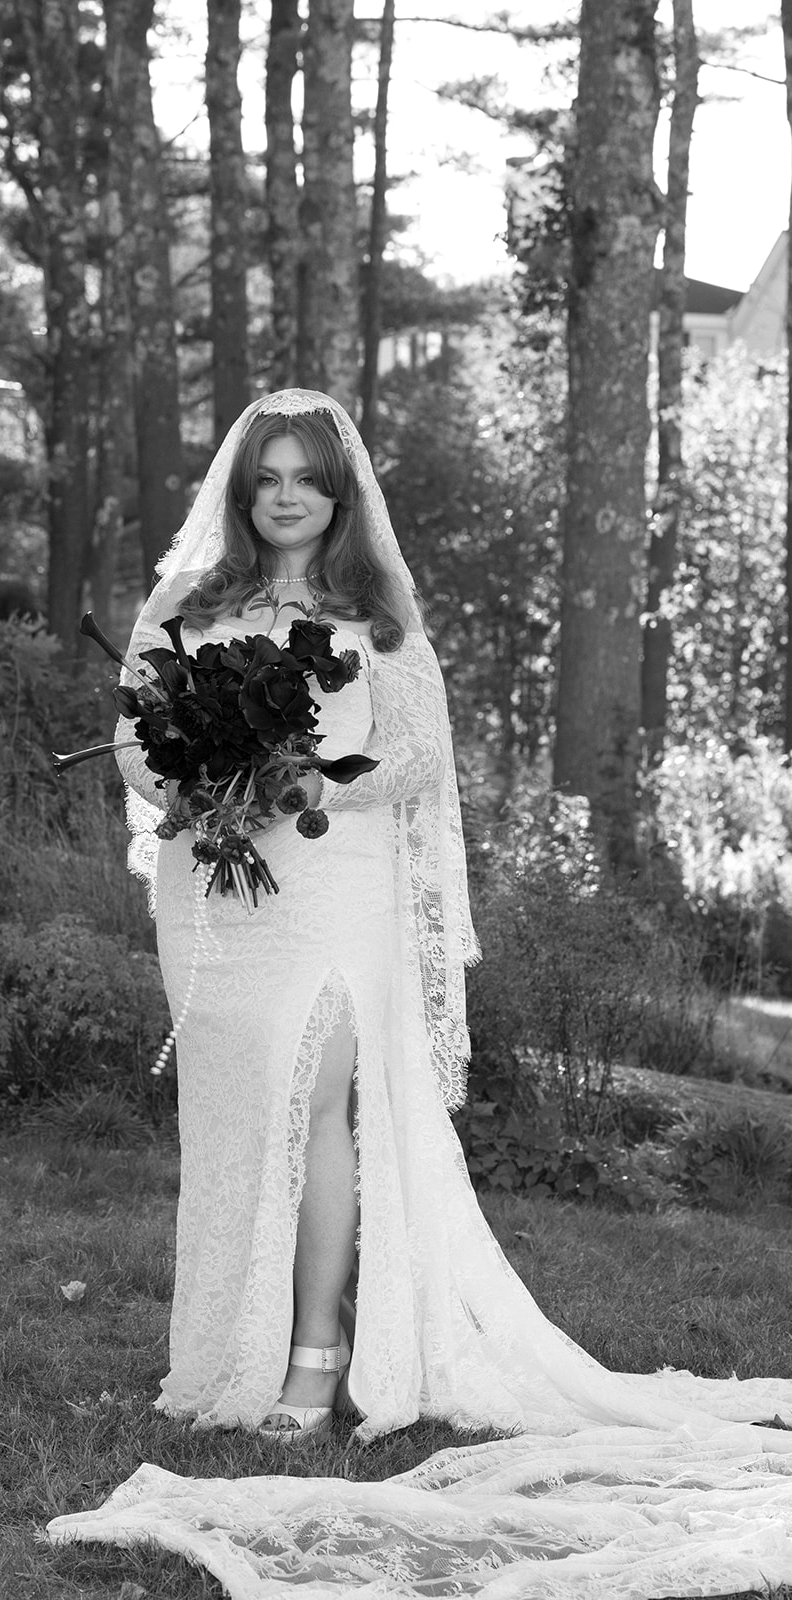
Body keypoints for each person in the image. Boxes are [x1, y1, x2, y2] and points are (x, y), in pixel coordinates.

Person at [47, 392, 792, 1594]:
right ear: (240, 490)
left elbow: (423, 758)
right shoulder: (182, 608)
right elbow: (134, 742)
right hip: (214, 895)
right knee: (239, 1123)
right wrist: (191, 772)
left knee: (321, 1103)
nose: (285, 493)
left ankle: (308, 1361)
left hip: (330, 890)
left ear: (339, 494)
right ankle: (217, 1356)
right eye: (266, 476)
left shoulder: (375, 618)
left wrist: (305, 776)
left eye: (306, 477)